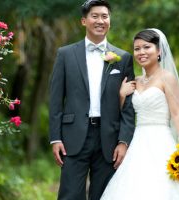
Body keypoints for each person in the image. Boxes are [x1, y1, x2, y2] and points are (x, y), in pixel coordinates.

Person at [100, 29, 179, 199]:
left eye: (147, 47)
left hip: (161, 138)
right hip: (137, 141)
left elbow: (177, 114)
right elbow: (123, 113)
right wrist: (122, 95)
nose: (141, 52)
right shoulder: (135, 81)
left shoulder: (167, 78)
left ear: (159, 50)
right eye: (137, 49)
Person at [49, 0, 135, 199]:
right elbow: (55, 99)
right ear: (83, 21)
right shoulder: (65, 54)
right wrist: (56, 138)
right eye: (94, 16)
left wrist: (124, 141)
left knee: (105, 195)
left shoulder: (123, 58)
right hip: (72, 136)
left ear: (110, 22)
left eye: (104, 16)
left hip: (110, 139)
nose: (100, 21)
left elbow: (128, 105)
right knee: (70, 195)